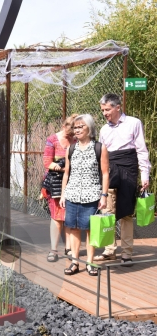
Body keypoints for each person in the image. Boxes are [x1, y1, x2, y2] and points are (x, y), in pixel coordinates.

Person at [93, 93, 151, 264]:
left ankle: (127, 252)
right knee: (107, 211)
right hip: (110, 170)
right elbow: (103, 156)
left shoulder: (134, 123)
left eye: (107, 109)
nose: (104, 113)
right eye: (103, 110)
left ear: (118, 107)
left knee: (126, 212)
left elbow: (141, 150)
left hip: (129, 169)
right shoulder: (103, 129)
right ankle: (109, 250)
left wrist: (144, 174)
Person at [59, 114, 109, 276]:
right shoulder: (70, 149)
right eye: (75, 127)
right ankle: (75, 262)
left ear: (90, 129)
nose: (77, 130)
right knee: (73, 229)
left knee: (89, 230)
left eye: (81, 127)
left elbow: (105, 173)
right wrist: (63, 194)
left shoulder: (99, 148)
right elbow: (67, 173)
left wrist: (104, 195)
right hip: (72, 195)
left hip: (92, 195)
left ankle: (90, 262)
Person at [42, 114, 78, 262]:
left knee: (70, 216)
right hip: (56, 183)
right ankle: (54, 250)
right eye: (70, 133)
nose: (72, 136)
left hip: (73, 182)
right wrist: (60, 168)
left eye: (74, 133)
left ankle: (69, 249)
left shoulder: (77, 139)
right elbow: (47, 162)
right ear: (64, 127)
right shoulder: (53, 140)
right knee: (57, 216)